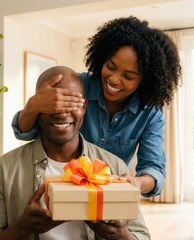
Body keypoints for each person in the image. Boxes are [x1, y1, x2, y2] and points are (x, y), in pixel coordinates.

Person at [11, 16, 182, 197]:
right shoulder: (78, 85)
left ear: (145, 80)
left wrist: (136, 183)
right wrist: (33, 106)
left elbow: (154, 170)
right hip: (62, 186)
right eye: (111, 66)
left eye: (129, 76)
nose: (114, 79)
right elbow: (24, 132)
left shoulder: (149, 112)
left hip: (109, 195)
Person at [0, 66, 150, 240]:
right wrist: (21, 228)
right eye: (53, 103)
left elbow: (142, 237)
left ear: (85, 107)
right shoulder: (4, 169)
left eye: (73, 103)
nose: (62, 112)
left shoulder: (113, 167)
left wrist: (119, 235)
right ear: (36, 107)